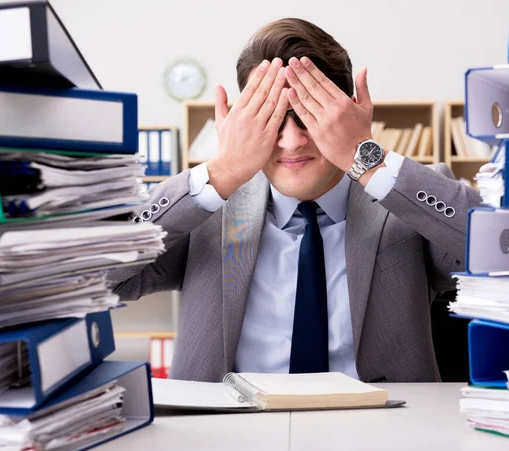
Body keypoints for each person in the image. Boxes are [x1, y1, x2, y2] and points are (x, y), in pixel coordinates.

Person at [108, 18, 482, 383]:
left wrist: (370, 160)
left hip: (381, 431)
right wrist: (221, 172)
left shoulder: (404, 195)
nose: (291, 142)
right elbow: (96, 275)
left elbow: (506, 257)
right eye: (269, 117)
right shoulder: (206, 209)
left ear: (347, 112)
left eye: (309, 116)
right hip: (228, 433)